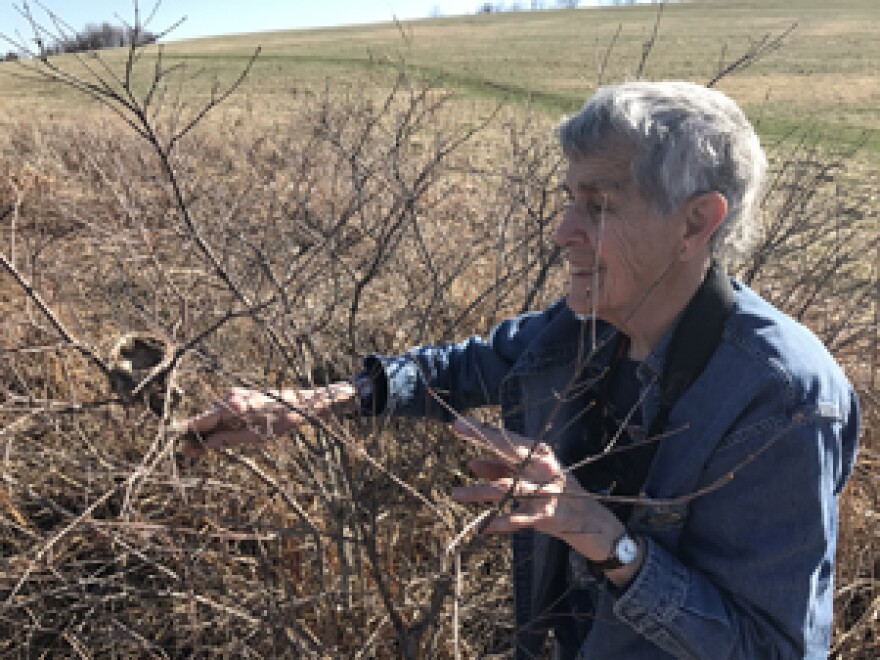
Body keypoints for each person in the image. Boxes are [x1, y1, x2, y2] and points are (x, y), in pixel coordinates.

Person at [185, 82, 860, 659]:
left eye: (597, 205)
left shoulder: (784, 398)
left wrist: (603, 539)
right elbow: (462, 368)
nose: (563, 231)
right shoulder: (585, 328)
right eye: (568, 199)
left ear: (695, 223)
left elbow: (773, 649)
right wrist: (308, 403)